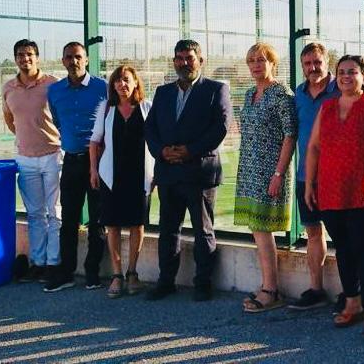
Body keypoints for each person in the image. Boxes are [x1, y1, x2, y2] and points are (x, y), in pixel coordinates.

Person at [144, 39, 232, 302]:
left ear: (200, 60)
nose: (184, 63)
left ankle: (203, 283)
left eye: (189, 58)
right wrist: (161, 151)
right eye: (180, 58)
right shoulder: (163, 92)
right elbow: (150, 129)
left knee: (202, 229)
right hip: (168, 172)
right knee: (168, 230)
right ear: (174, 62)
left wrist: (190, 150)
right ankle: (165, 281)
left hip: (199, 173)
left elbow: (221, 127)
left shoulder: (217, 89)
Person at [304, 55, 364, 338]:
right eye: (341, 72)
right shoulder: (326, 107)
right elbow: (313, 147)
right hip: (330, 192)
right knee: (344, 250)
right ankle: (353, 302)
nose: (346, 76)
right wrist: (309, 185)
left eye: (352, 72)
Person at [235, 42, 296, 313]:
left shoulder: (281, 93)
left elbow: (290, 135)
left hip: (270, 171)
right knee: (257, 229)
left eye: (261, 60)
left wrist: (278, 174)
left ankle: (271, 290)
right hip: (248, 169)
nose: (256, 65)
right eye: (252, 60)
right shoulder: (249, 94)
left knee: (263, 230)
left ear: (273, 63)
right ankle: (267, 285)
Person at [44, 42, 108, 293]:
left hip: (98, 162)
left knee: (97, 219)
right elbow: (58, 121)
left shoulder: (102, 87)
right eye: (69, 57)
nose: (74, 61)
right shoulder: (55, 91)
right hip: (71, 161)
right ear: (63, 61)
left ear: (87, 60)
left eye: (78, 57)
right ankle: (66, 272)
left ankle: (93, 272)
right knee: (68, 219)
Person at [89, 64, 154, 298]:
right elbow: (95, 142)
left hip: (140, 177)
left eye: (126, 79)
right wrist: (93, 171)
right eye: (117, 80)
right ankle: (117, 275)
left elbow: (156, 141)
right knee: (113, 225)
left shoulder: (147, 108)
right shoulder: (105, 108)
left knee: (137, 224)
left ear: (135, 82)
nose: (121, 84)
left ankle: (132, 273)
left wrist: (155, 174)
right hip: (110, 176)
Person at [2, 39, 61, 285]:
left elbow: (61, 116)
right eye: (20, 55)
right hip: (25, 159)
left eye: (29, 54)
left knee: (55, 212)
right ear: (15, 58)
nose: (25, 59)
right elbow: (9, 120)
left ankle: (53, 264)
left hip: (53, 155)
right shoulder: (8, 87)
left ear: (37, 57)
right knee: (35, 214)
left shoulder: (52, 84)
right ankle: (37, 263)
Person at [288, 42, 338, 311]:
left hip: (336, 177)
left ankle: (350, 293)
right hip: (305, 177)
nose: (312, 68)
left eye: (317, 62)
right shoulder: (299, 94)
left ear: (326, 62)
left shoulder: (340, 90)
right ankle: (316, 289)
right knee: (312, 233)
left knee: (343, 237)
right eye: (307, 64)